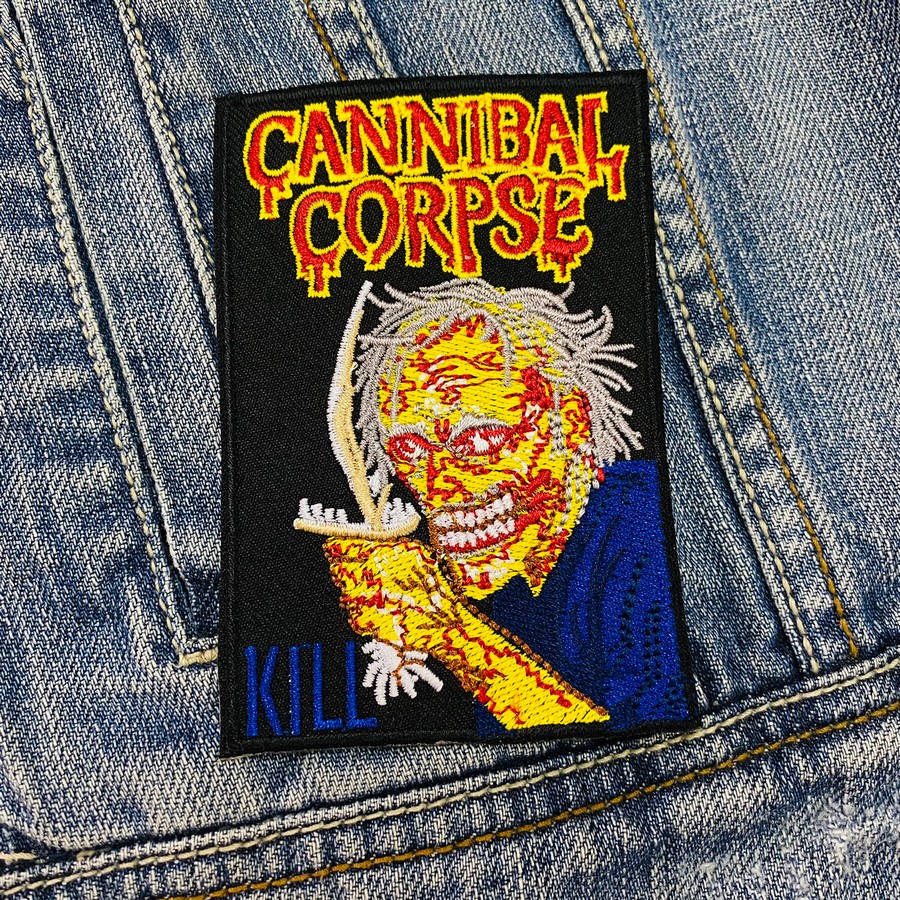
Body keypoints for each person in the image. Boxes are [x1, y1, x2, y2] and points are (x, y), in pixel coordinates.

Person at [323, 278, 690, 733]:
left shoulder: (644, 531)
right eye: (412, 451)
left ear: (569, 421)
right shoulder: (515, 573)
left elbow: (644, 749)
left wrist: (452, 632)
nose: (440, 485)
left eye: (480, 438)